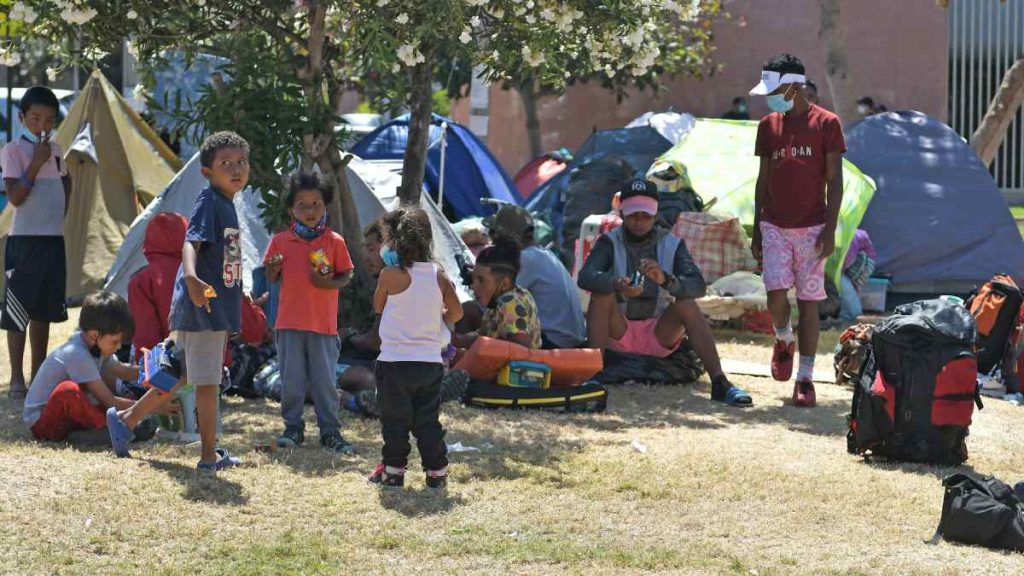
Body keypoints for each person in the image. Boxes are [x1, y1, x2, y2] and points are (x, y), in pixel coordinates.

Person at [106, 131, 251, 471]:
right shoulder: (209, 202)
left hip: (208, 310)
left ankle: (125, 418)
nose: (235, 169)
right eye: (225, 163)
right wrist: (190, 277)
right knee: (207, 382)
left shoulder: (226, 205)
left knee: (180, 373)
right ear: (206, 172)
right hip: (203, 310)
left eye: (241, 162)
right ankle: (208, 456)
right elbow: (191, 243)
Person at [578, 179, 752, 406]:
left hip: (659, 334)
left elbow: (697, 286)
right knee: (601, 295)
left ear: (655, 213)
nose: (639, 222)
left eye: (645, 215)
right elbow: (586, 277)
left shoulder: (672, 243)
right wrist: (616, 284)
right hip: (619, 331)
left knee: (686, 303)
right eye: (633, 215)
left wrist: (666, 280)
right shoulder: (609, 242)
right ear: (622, 213)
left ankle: (720, 382)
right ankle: (594, 377)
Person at [749, 53, 846, 407]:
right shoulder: (768, 125)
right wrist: (759, 227)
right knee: (776, 294)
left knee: (809, 303)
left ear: (793, 86)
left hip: (813, 228)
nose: (768, 98)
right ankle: (782, 337)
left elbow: (835, 182)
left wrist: (831, 229)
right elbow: (763, 179)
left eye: (772, 90)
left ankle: (804, 378)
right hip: (773, 224)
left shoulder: (827, 124)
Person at [369, 207, 464, 489]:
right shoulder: (439, 276)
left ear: (394, 242)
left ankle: (394, 471)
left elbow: (378, 306)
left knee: (395, 421)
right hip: (429, 363)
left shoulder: (389, 275)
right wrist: (440, 316)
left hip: (394, 362)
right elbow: (457, 313)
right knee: (427, 421)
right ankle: (436, 471)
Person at [263, 171, 356, 453]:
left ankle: (330, 431)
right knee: (291, 380)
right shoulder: (280, 241)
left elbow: (347, 275)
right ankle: (293, 428)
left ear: (325, 205)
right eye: (302, 205)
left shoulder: (334, 241)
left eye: (316, 203)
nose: (310, 210)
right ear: (291, 209)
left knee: (324, 382)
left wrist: (327, 283)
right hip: (289, 323)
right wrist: (273, 268)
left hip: (324, 326)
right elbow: (270, 276)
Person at [23, 291, 172, 441]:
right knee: (68, 390)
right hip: (44, 422)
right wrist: (151, 406)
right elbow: (109, 401)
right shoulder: (77, 354)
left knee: (108, 400)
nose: (119, 347)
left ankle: (89, 434)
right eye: (115, 341)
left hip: (70, 416)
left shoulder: (96, 348)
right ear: (94, 335)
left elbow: (124, 371)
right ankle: (108, 431)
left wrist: (155, 368)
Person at [1, 86, 72, 399]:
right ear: (21, 118)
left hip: (52, 240)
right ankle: (17, 378)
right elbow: (16, 197)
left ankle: (38, 373)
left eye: (49, 120)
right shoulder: (13, 151)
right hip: (25, 241)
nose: (42, 126)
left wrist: (61, 208)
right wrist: (35, 162)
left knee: (45, 311)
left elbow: (67, 179)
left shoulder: (56, 151)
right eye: (35, 118)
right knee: (18, 312)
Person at [485, 204, 586, 348]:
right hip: (568, 339)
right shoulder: (544, 255)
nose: (492, 241)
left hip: (555, 342)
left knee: (479, 313)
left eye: (494, 234)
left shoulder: (525, 259)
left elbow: (494, 298)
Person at [128, 213, 189, 361]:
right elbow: (250, 329)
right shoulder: (208, 271)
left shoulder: (141, 281)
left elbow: (146, 341)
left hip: (171, 371)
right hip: (216, 369)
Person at [837, 229, 877, 325]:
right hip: (863, 262)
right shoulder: (853, 233)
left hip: (864, 263)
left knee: (841, 280)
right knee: (847, 284)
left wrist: (838, 271)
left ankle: (849, 315)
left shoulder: (850, 238)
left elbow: (846, 261)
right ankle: (849, 312)